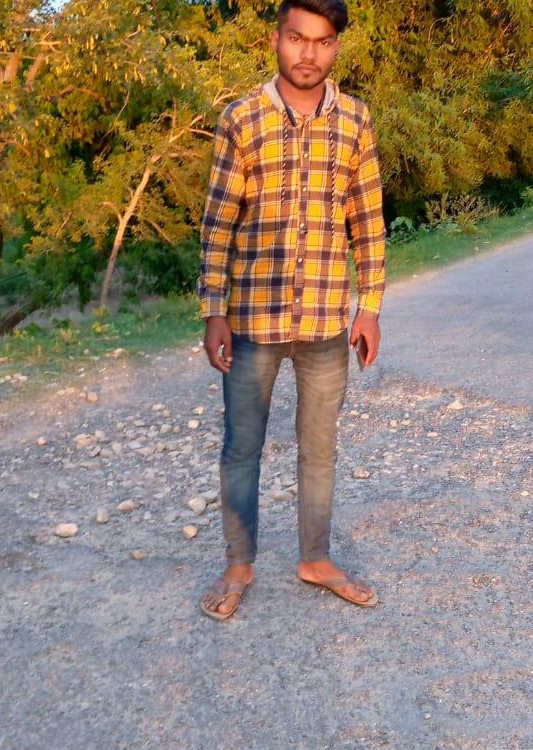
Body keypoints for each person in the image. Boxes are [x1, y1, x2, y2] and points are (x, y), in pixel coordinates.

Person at [196, 0, 386, 621]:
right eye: (298, 38)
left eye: (322, 41)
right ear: (276, 39)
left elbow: (368, 220)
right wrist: (214, 309)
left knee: (320, 450)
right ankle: (238, 564)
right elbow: (219, 222)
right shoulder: (242, 119)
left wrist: (369, 307)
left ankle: (315, 558)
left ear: (336, 48)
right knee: (241, 447)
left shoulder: (355, 121)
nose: (309, 53)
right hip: (254, 319)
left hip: (327, 321)